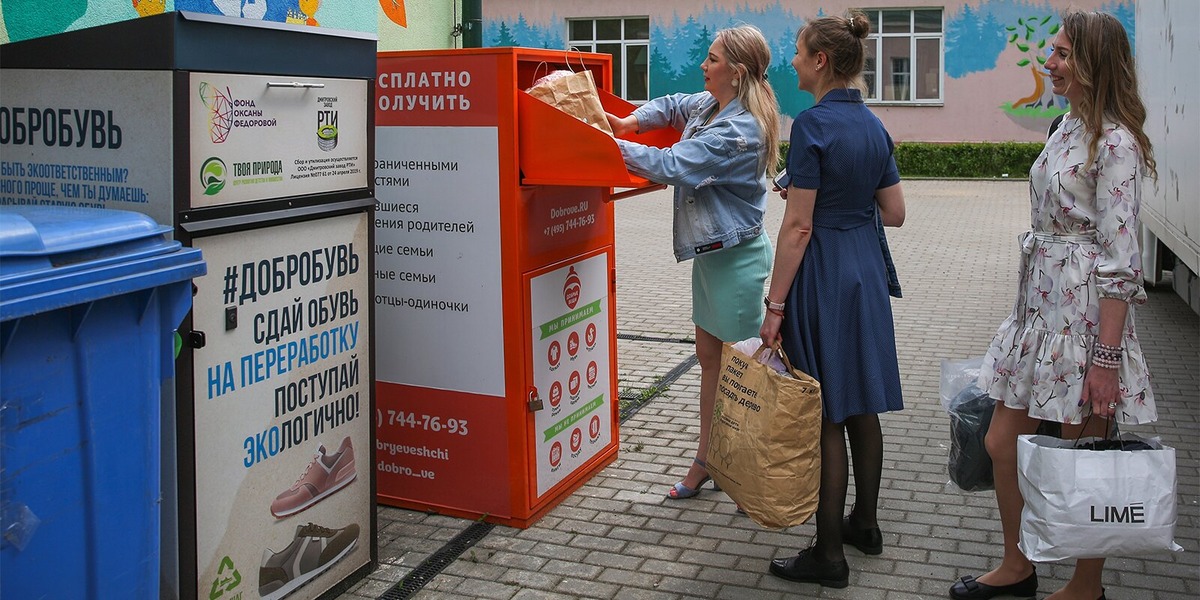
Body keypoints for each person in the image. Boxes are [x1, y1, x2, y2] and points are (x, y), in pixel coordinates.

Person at [948, 10, 1157, 600]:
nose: (1050, 62)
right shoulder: (1066, 126)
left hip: (1086, 324)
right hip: (1039, 316)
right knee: (1000, 443)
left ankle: (1086, 586)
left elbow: (1122, 264)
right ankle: (1017, 567)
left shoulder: (1116, 141)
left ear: (1092, 63)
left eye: (1062, 53)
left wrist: (1106, 361)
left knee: (1082, 455)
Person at [758, 11, 906, 589]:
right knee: (861, 402)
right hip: (864, 270)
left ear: (821, 62)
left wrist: (774, 307)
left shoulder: (813, 128)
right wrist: (847, 204)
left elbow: (796, 229)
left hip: (822, 274)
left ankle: (828, 554)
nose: (792, 60)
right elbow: (894, 211)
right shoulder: (873, 125)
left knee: (825, 411)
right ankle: (864, 525)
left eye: (798, 52)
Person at [605, 24, 780, 500]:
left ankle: (747, 468)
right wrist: (630, 123)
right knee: (709, 362)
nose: (703, 65)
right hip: (714, 260)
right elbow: (671, 104)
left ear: (736, 71)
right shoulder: (711, 104)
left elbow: (672, 164)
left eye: (712, 59)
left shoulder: (738, 130)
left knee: (743, 374)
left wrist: (600, 142)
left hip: (738, 263)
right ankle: (708, 458)